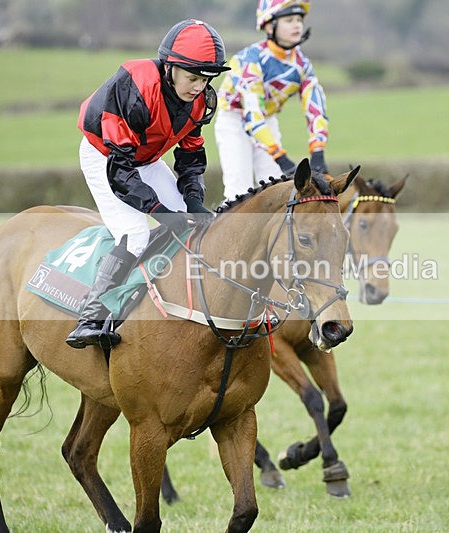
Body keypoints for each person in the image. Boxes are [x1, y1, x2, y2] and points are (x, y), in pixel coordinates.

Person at [66, 19, 230, 349]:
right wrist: (160, 211)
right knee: (136, 234)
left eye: (205, 80)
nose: (198, 88)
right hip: (106, 156)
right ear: (170, 67)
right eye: (192, 78)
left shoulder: (200, 101)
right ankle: (90, 316)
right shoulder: (135, 87)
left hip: (146, 158)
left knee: (195, 225)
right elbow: (121, 172)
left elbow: (191, 157)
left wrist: (193, 201)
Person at [215, 0, 329, 201]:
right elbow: (252, 115)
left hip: (267, 120)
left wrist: (318, 151)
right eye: (289, 20)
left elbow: (316, 110)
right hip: (235, 120)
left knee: (276, 190)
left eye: (299, 19)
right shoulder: (251, 58)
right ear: (269, 26)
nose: (297, 25)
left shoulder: (303, 65)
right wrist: (280, 157)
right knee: (239, 191)